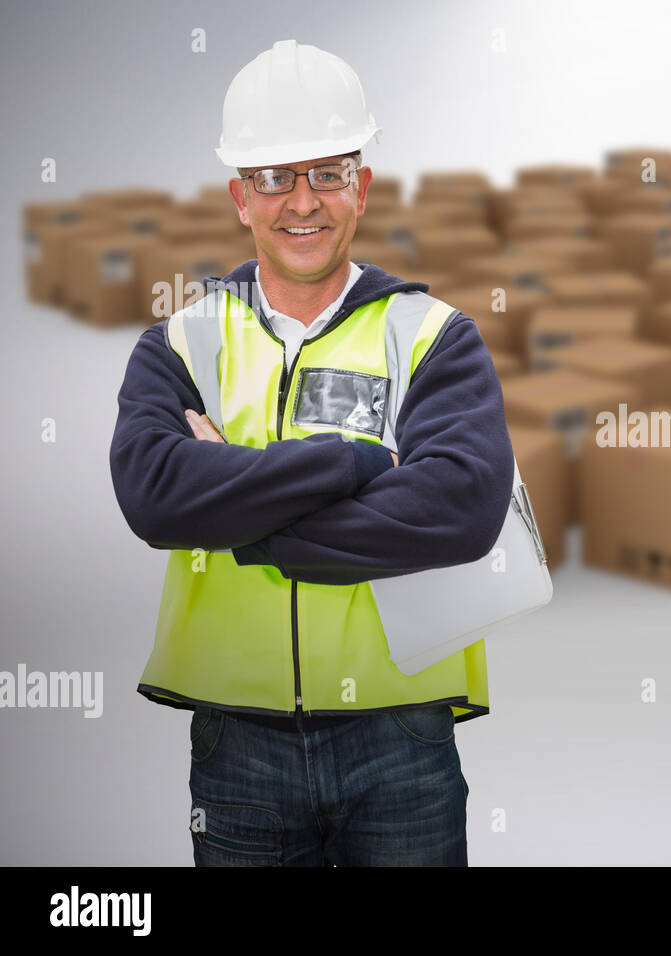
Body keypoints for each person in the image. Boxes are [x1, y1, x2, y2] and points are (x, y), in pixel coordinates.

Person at [108, 39, 514, 866]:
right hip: (239, 744)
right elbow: (155, 496)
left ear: (360, 190)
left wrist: (243, 521)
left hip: (401, 735)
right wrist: (359, 464)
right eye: (274, 177)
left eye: (327, 172)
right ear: (239, 198)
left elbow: (463, 509)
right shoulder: (181, 344)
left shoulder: (432, 337)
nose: (303, 201)